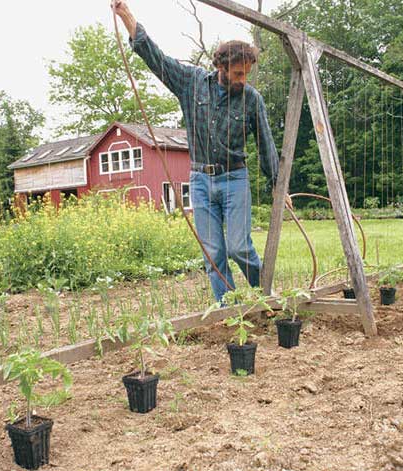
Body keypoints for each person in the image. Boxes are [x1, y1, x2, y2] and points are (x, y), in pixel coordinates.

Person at [112, 0, 279, 302]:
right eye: (239, 74)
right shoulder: (191, 83)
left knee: (240, 247)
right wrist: (126, 15)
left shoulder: (252, 99)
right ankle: (230, 309)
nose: (244, 80)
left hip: (235, 179)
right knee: (213, 254)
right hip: (200, 181)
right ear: (221, 67)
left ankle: (264, 295)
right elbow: (156, 57)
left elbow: (266, 144)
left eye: (246, 74)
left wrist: (280, 187)